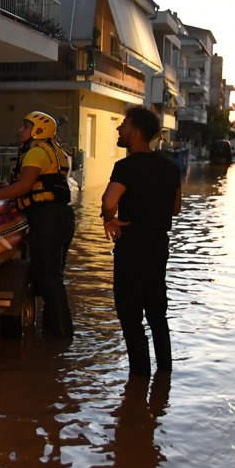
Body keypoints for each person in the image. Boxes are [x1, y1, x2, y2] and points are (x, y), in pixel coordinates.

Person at [0, 111, 75, 338]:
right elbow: (33, 184)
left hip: (47, 218)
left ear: (38, 130)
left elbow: (24, 187)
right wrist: (5, 186)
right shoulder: (52, 152)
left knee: (48, 278)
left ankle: (60, 337)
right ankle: (55, 339)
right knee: (52, 277)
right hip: (60, 217)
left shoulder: (36, 152)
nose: (20, 130)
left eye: (25, 126)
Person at [100, 106, 182, 378]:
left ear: (135, 132)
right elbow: (176, 209)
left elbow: (108, 201)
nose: (119, 129)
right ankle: (164, 378)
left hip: (131, 250)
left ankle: (139, 381)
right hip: (158, 249)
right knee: (158, 316)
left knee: (131, 316)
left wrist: (109, 219)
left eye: (123, 125)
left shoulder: (124, 167)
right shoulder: (171, 168)